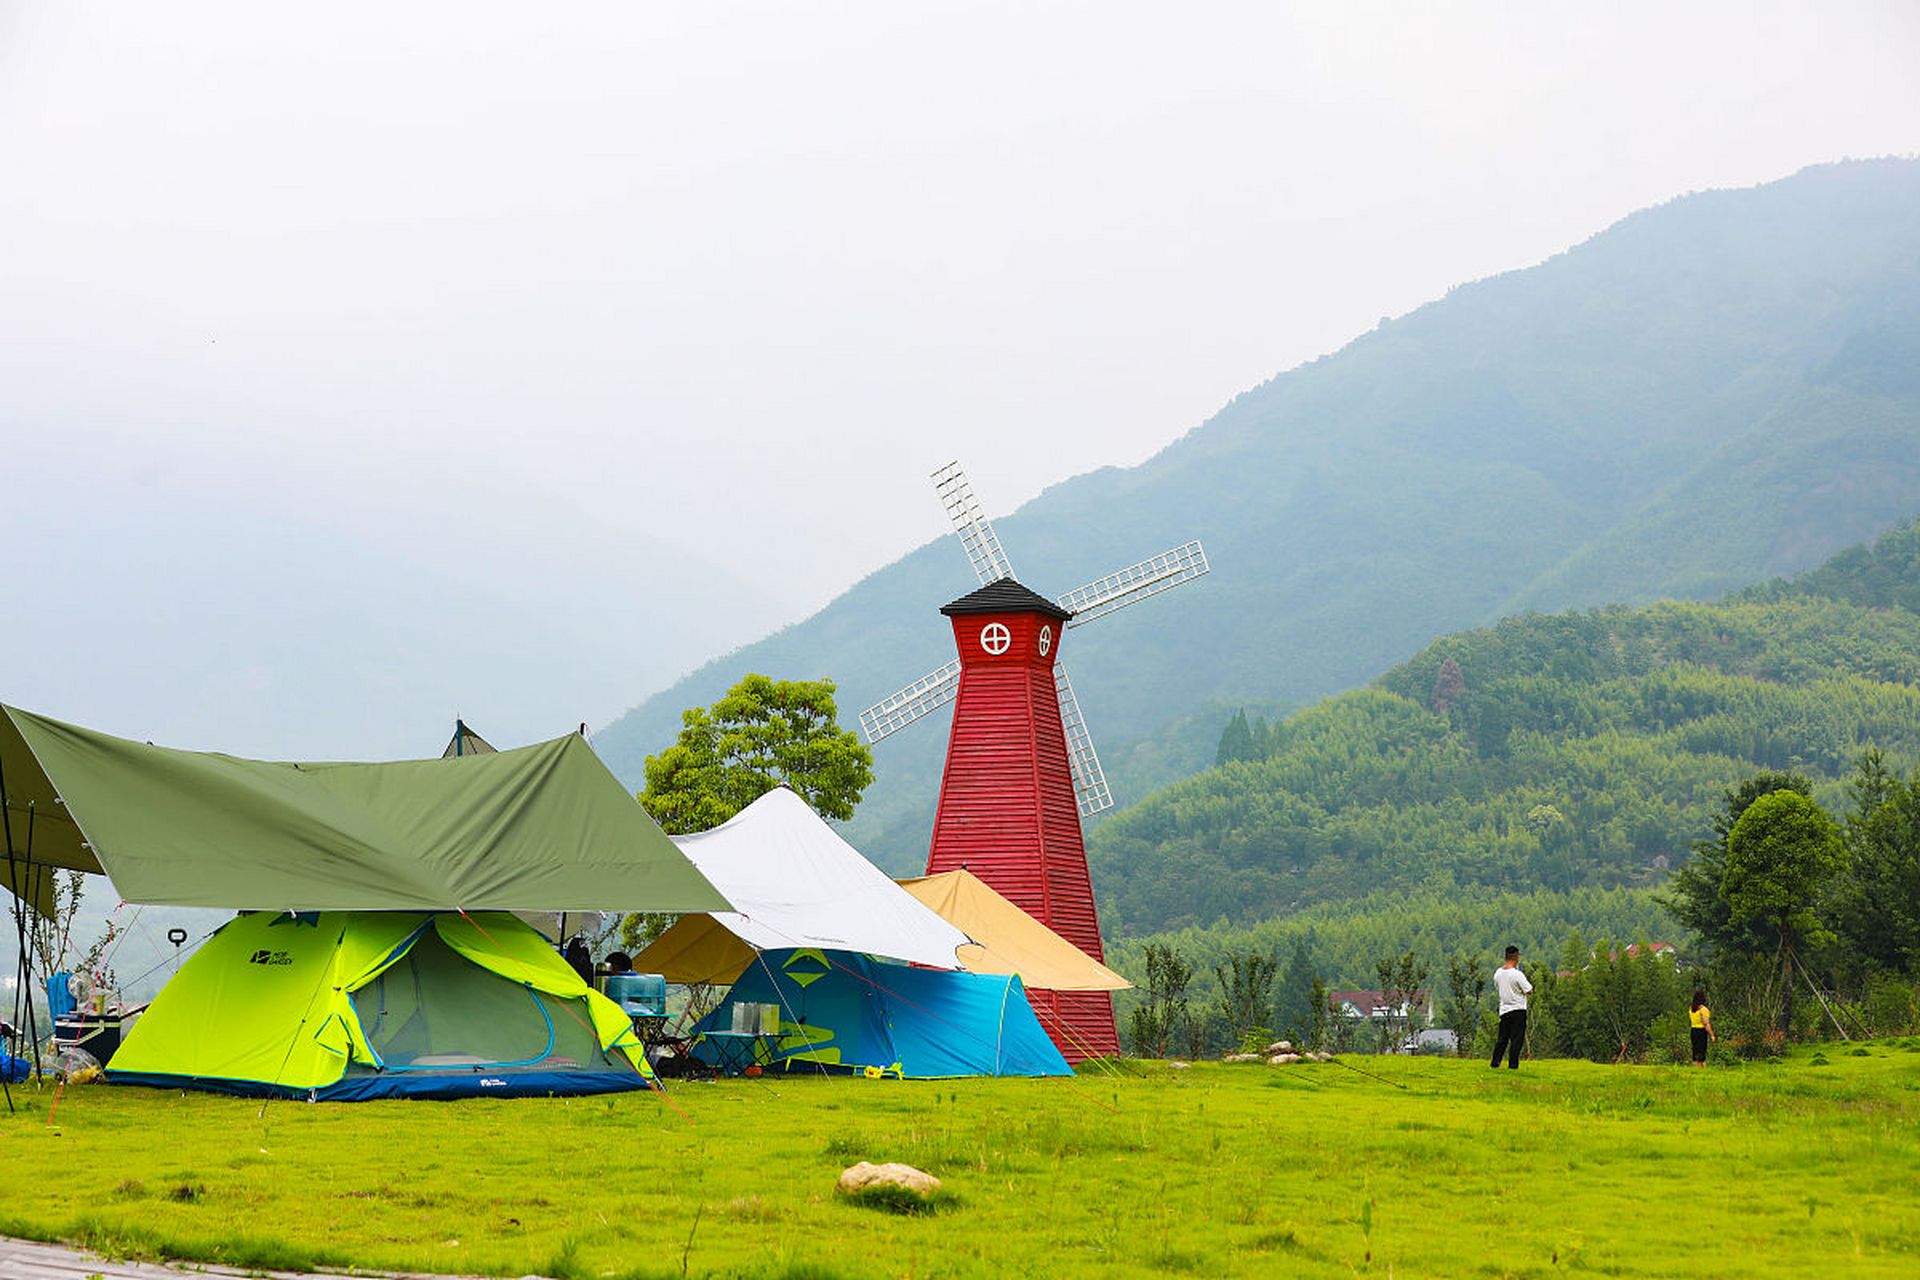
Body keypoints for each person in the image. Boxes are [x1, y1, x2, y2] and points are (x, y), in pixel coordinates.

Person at [1490, 945, 1533, 1070]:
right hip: (1518, 1009)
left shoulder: (1498, 973)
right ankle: (1513, 1065)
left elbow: (1497, 987)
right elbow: (1529, 990)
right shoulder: (1517, 974)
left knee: (1502, 1038)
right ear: (1516, 957)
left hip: (1504, 1010)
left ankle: (1495, 1062)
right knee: (1516, 1039)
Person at [1688, 988, 1715, 1067]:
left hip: (1693, 1030)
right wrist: (1712, 1035)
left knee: (1695, 1050)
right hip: (1701, 1031)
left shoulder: (1691, 1009)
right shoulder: (1703, 1010)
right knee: (1702, 1050)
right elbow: (1706, 1023)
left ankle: (1695, 1067)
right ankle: (1702, 1067)